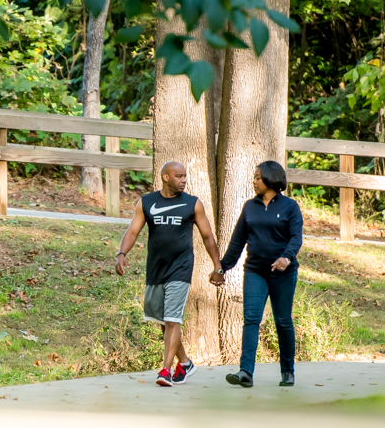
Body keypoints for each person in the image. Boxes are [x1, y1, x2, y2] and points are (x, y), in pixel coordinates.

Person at [114, 160, 225, 387]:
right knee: (164, 322)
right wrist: (121, 253)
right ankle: (184, 363)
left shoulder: (193, 204)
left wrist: (218, 266)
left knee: (172, 320)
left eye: (185, 176)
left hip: (181, 268)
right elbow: (133, 231)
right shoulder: (147, 202)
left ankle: (165, 370)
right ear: (166, 177)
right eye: (179, 176)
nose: (184, 180)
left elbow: (207, 236)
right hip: (156, 269)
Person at [220, 160, 303, 388]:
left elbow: (296, 238)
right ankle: (245, 372)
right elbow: (237, 243)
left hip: (283, 273)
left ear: (270, 179)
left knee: (283, 321)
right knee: (251, 319)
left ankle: (287, 371)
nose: (254, 181)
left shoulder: (290, 207)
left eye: (258, 177)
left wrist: (286, 257)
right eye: (255, 177)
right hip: (255, 271)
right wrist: (222, 268)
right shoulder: (250, 207)